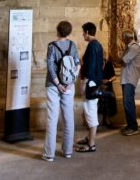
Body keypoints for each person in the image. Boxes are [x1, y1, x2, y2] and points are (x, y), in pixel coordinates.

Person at [43, 20, 79, 162]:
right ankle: (68, 151)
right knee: (68, 117)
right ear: (69, 32)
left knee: (52, 118)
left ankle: (49, 154)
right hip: (69, 85)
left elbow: (50, 67)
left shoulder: (52, 46)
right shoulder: (72, 45)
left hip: (53, 85)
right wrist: (71, 82)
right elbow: (77, 65)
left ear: (57, 31)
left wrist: (58, 85)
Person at [76, 22, 104, 153]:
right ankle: (88, 138)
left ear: (87, 32)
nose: (83, 35)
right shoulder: (98, 44)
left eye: (83, 32)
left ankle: (91, 144)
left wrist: (84, 83)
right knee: (90, 111)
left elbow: (91, 66)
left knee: (90, 112)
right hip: (96, 81)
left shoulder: (92, 46)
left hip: (91, 83)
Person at [120, 31, 140, 135]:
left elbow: (124, 61)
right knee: (126, 102)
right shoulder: (128, 47)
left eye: (122, 38)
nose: (122, 40)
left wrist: (121, 59)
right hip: (125, 78)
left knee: (128, 102)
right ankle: (129, 124)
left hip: (130, 78)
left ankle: (134, 127)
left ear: (127, 38)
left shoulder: (134, 47)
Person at [98, 57, 118, 129]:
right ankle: (98, 121)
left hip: (108, 86)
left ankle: (107, 119)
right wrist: (100, 84)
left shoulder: (109, 64)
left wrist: (108, 80)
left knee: (111, 96)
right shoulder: (96, 63)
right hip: (98, 86)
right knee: (100, 97)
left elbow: (114, 77)